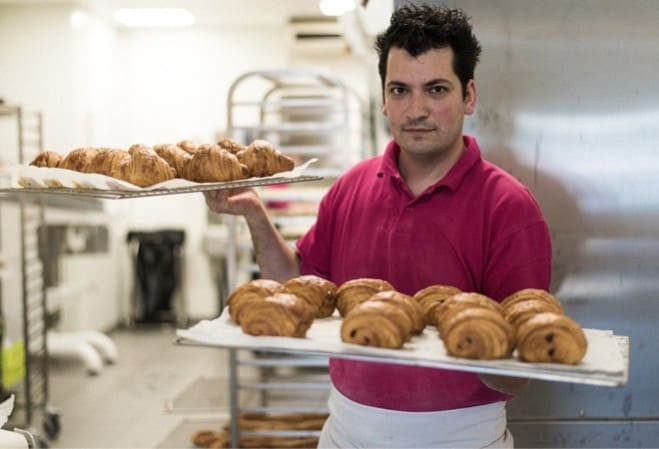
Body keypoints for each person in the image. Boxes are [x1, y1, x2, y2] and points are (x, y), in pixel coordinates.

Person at [205, 4, 551, 448]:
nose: (417, 109)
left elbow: (518, 374)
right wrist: (255, 213)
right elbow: (292, 290)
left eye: (437, 89)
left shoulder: (509, 208)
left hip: (460, 438)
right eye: (400, 90)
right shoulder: (351, 186)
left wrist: (462, 338)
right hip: (346, 431)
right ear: (384, 99)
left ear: (469, 96)